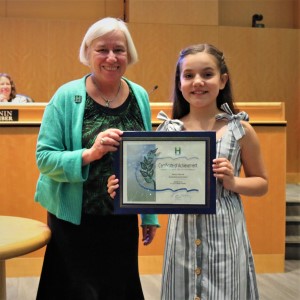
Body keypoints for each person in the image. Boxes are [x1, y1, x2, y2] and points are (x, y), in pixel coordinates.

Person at [108, 43, 268, 299]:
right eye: (189, 75)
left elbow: (262, 183)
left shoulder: (240, 130)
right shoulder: (168, 131)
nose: (198, 82)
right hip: (181, 237)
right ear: (180, 83)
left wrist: (234, 182)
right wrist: (124, 187)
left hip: (226, 237)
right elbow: (151, 186)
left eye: (207, 74)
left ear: (223, 80)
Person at [34, 17, 159, 300]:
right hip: (74, 222)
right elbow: (44, 158)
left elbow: (146, 158)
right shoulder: (65, 97)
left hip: (121, 221)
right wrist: (91, 153)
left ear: (129, 54)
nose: (111, 57)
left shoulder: (139, 95)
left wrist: (149, 214)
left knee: (119, 291)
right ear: (88, 52)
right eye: (102, 49)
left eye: (119, 49)